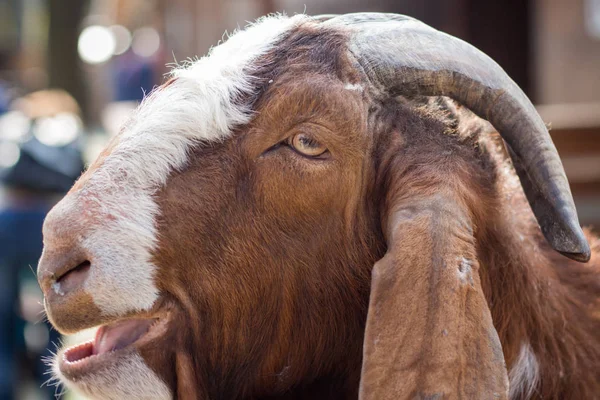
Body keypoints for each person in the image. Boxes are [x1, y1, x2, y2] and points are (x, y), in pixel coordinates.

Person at [0, 90, 84, 399]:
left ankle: (5, 385)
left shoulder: (18, 127)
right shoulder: (68, 129)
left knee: (3, 309)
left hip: (9, 220)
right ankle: (50, 386)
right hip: (51, 222)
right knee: (52, 309)